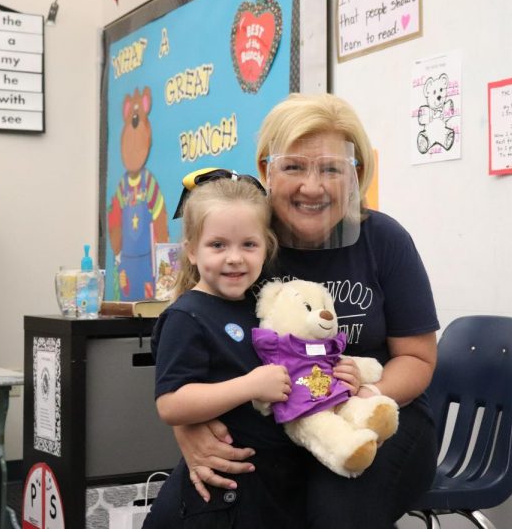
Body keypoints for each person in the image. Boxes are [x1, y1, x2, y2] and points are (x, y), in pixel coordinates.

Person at [173, 93, 440, 528]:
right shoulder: (243, 243)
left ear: (355, 174)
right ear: (266, 171)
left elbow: (418, 358)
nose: (312, 186)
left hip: (381, 413)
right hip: (275, 422)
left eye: (332, 168)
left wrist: (365, 400)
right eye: (294, 166)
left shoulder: (385, 241)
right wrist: (187, 430)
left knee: (336, 511)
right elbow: (185, 355)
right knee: (185, 514)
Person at [143, 171, 308, 529]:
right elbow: (171, 404)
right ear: (190, 249)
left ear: (267, 246)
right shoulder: (187, 316)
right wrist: (250, 386)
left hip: (267, 490)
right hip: (219, 503)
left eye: (248, 245)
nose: (234, 258)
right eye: (218, 245)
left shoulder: (262, 307)